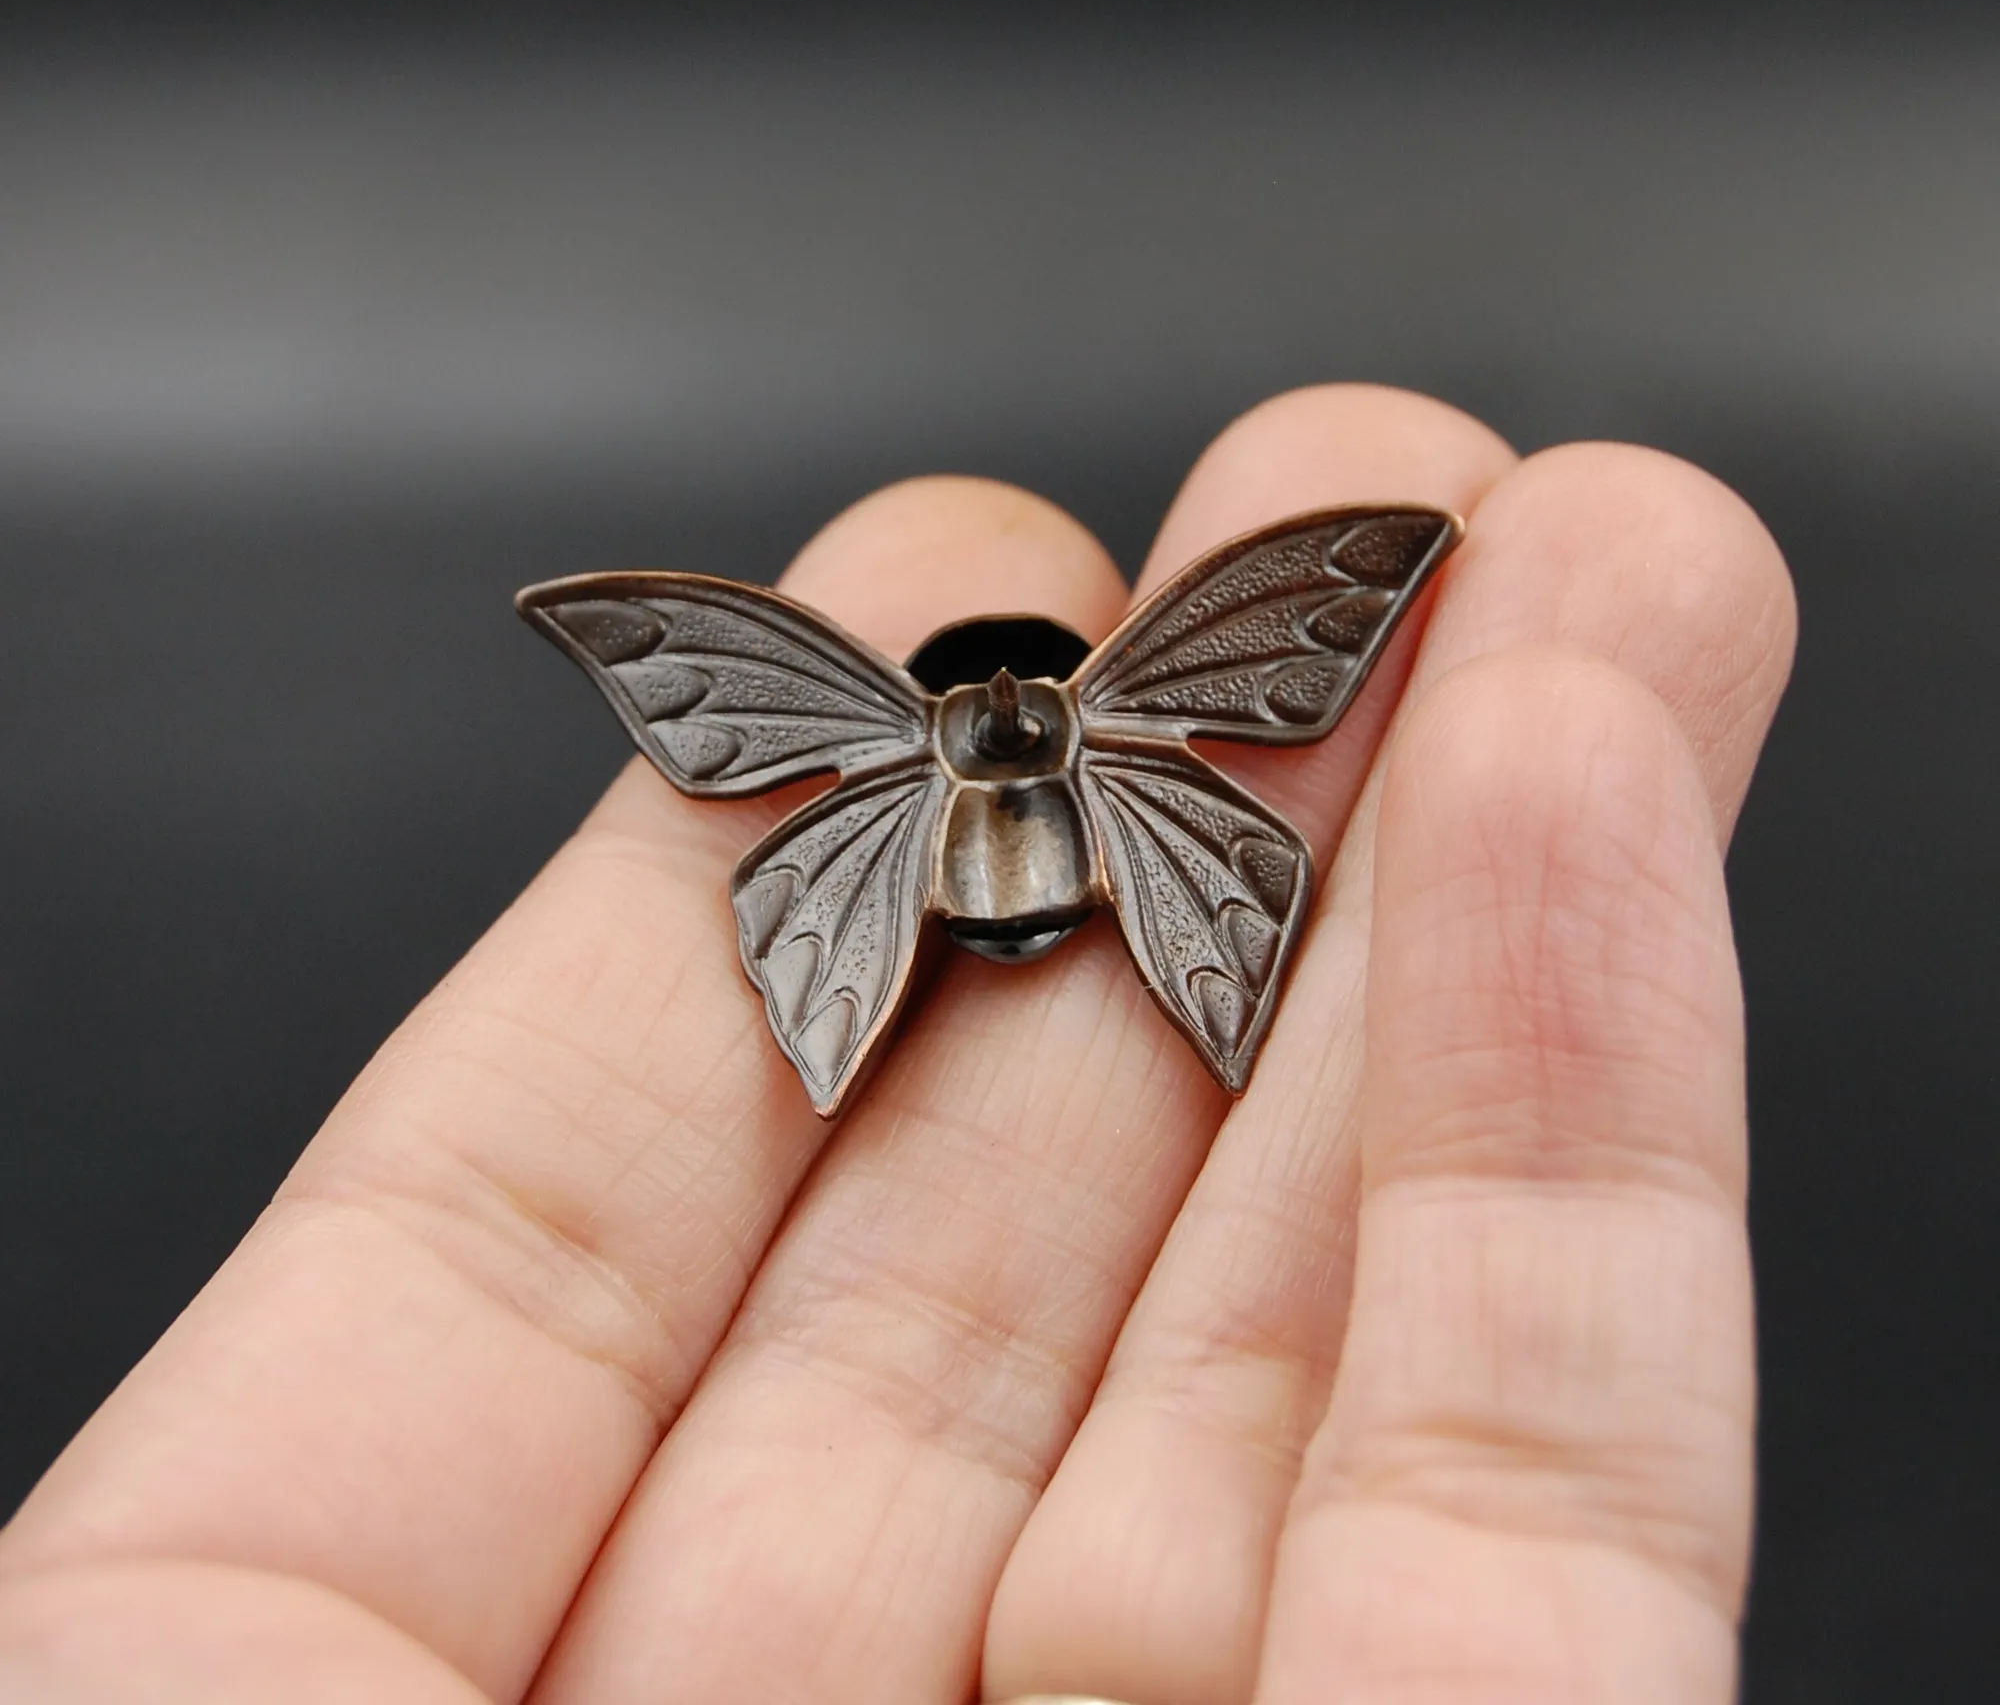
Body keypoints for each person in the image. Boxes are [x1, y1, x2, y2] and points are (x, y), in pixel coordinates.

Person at [0, 385, 1796, 1703]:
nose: (1007, 724)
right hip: (1028, 827)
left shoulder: (917, 729)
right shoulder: (1080, 718)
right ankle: (1011, 979)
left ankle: (1146, 973)